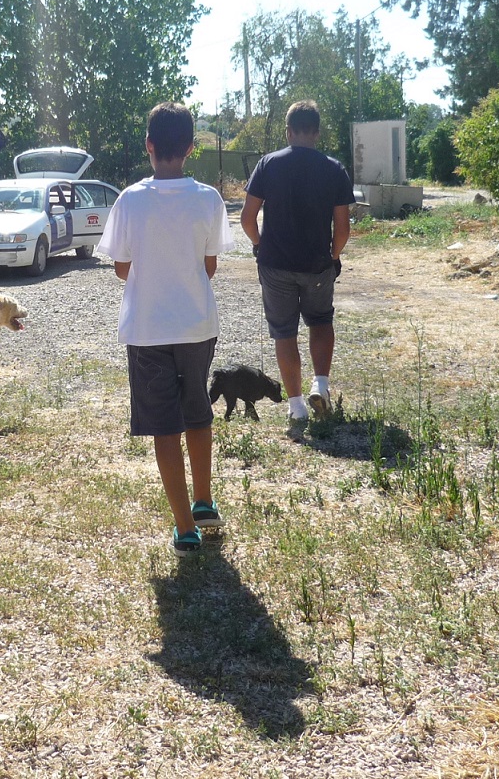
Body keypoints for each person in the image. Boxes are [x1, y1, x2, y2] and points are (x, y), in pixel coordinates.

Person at [96, 102, 235, 557]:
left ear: (149, 145)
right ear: (191, 149)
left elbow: (121, 268)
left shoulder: (130, 199)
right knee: (199, 413)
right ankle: (204, 499)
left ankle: (184, 528)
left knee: (164, 426)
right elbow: (210, 266)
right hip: (198, 324)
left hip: (147, 328)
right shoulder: (210, 199)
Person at [240, 100, 354, 426]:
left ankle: (296, 406)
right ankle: (320, 384)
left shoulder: (267, 164)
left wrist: (260, 245)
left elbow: (248, 218)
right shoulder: (334, 169)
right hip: (317, 264)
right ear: (317, 133)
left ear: (288, 131)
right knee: (320, 321)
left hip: (275, 264)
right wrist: (332, 256)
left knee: (284, 333)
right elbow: (343, 229)